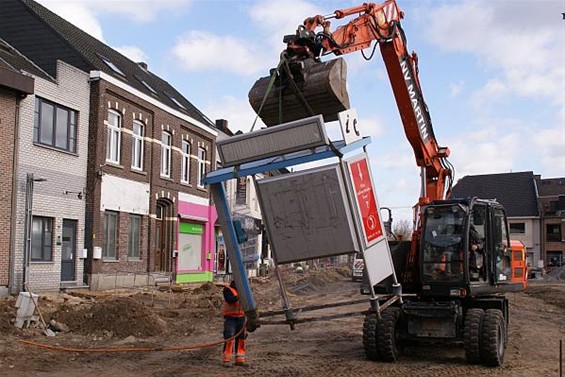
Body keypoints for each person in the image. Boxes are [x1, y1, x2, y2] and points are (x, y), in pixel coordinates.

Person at [222, 279, 248, 367]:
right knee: (229, 336)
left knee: (241, 337)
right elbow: (230, 300)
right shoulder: (227, 289)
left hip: (241, 317)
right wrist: (239, 296)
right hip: (230, 318)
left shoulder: (244, 290)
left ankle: (239, 359)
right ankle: (227, 359)